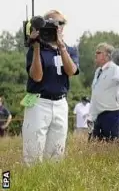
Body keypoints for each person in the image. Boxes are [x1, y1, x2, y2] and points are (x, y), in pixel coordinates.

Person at [22, 10, 80, 165]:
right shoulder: (37, 48)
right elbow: (37, 77)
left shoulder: (70, 49)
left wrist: (61, 48)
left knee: (56, 152)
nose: (57, 27)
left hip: (60, 102)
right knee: (33, 151)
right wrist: (36, 48)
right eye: (53, 23)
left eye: (61, 23)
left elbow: (71, 71)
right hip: (39, 102)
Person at [89, 42, 119, 143]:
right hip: (98, 116)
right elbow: (96, 94)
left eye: (98, 52)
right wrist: (91, 116)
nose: (95, 55)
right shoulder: (98, 71)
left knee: (112, 147)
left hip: (112, 113)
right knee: (95, 148)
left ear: (106, 55)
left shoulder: (115, 68)